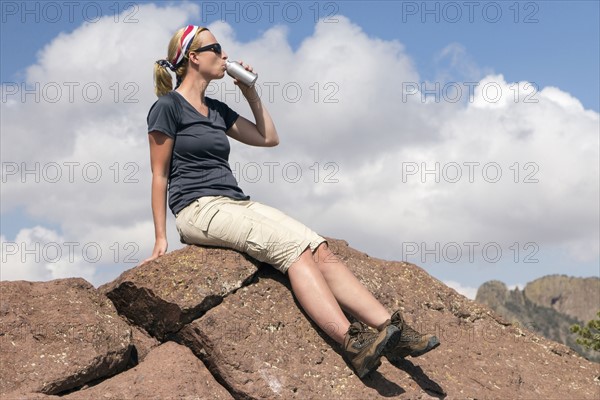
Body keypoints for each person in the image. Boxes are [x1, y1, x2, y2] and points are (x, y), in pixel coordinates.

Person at [143, 25, 439, 378]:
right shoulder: (167, 107)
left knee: (317, 247)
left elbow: (269, 137)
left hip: (234, 202)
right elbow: (159, 176)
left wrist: (250, 92)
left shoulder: (216, 110)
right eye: (217, 48)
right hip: (197, 208)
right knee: (291, 251)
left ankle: (393, 330)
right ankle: (353, 343)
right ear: (193, 58)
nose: (225, 56)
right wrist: (161, 238)